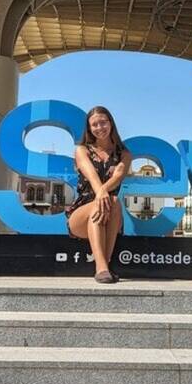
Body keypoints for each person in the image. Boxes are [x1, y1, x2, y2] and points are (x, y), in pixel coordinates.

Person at [66, 105, 131, 284]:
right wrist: (101, 192)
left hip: (111, 212)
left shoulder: (124, 154)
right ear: (89, 129)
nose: (99, 127)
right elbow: (92, 177)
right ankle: (101, 267)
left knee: (114, 200)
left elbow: (118, 176)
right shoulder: (82, 150)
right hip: (81, 214)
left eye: (103, 122)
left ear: (111, 123)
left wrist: (104, 193)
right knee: (102, 201)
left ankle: (106, 265)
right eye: (94, 125)